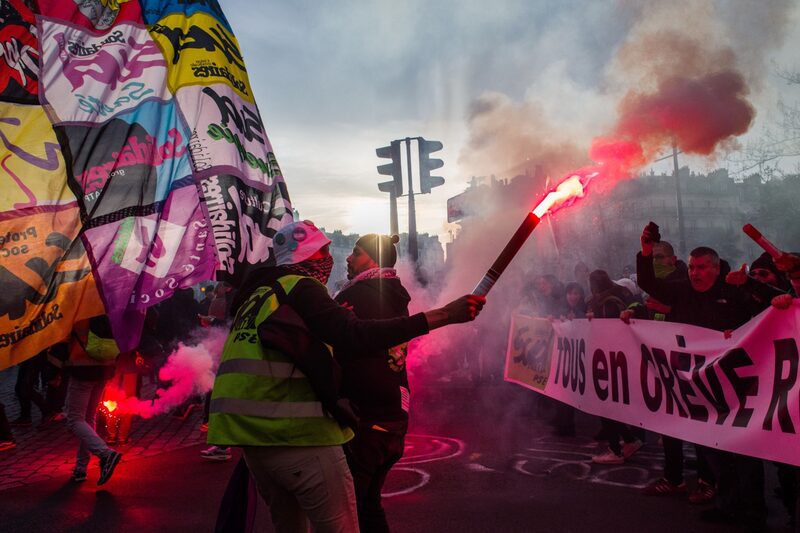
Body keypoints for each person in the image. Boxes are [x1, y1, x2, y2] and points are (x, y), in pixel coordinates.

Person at [207, 220, 484, 533]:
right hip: (299, 436)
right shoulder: (302, 289)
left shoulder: (257, 296)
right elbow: (352, 336)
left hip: (252, 439)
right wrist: (444, 315)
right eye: (325, 251)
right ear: (308, 255)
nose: (336, 259)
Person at [636, 224, 782, 530]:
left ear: (716, 269)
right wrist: (646, 250)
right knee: (714, 450)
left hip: (739, 385)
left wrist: (767, 295)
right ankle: (727, 505)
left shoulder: (733, 291)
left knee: (743, 453)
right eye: (691, 267)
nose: (695, 273)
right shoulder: (681, 292)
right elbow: (648, 281)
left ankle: (754, 514)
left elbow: (772, 305)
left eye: (702, 267)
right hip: (701, 387)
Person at [332, 233, 409, 532]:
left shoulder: (358, 295)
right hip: (395, 414)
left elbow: (332, 341)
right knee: (368, 506)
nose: (349, 259)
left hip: (365, 417)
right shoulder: (397, 293)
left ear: (373, 260)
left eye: (357, 253)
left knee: (344, 510)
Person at [586, 270, 642, 464]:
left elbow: (609, 330)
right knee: (611, 406)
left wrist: (593, 322)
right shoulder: (618, 297)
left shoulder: (608, 303)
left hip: (608, 360)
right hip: (617, 360)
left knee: (606, 406)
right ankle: (628, 440)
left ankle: (615, 450)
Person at [64, 315, 123, 485]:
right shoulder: (106, 307)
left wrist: (53, 371)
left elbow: (63, 339)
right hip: (104, 368)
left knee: (74, 419)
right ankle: (81, 468)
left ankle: (105, 453)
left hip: (82, 369)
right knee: (88, 419)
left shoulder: (79, 311)